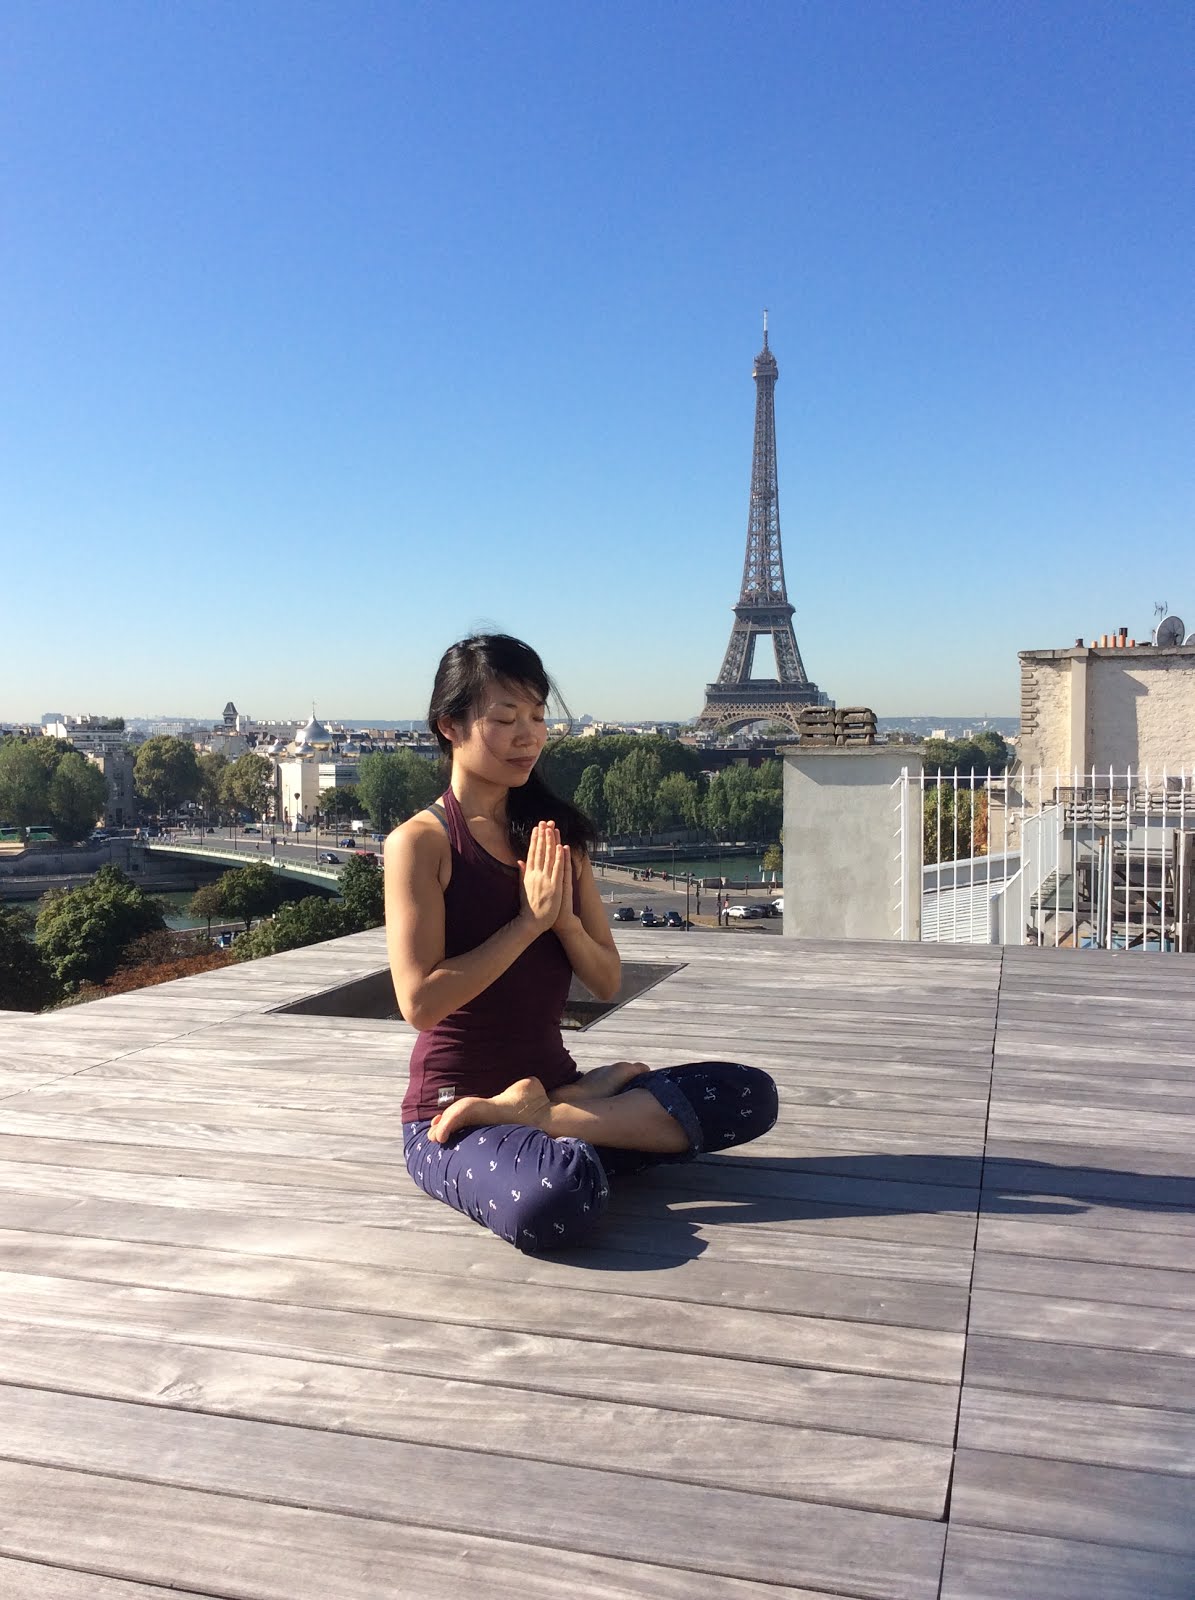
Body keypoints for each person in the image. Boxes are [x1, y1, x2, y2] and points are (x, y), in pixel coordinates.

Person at [384, 634, 778, 1252]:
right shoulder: (420, 843)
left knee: (750, 1096)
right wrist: (528, 923)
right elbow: (421, 1004)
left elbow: (607, 981)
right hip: (450, 1116)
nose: (529, 736)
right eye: (505, 719)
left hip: (550, 1092)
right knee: (558, 1193)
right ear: (450, 727)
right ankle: (574, 1126)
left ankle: (552, 1113)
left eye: (538, 717)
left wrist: (562, 920)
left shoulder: (556, 838)